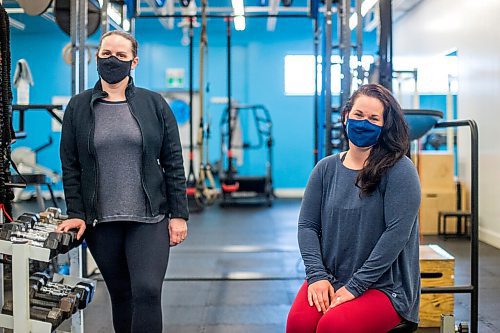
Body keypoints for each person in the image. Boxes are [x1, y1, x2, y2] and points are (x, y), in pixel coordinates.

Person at [56, 30, 189, 333]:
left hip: (150, 217)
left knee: (147, 291)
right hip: (102, 221)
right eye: (106, 54)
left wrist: (179, 214)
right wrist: (76, 213)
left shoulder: (154, 103)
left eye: (120, 56)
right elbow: (71, 166)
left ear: (134, 61)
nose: (112, 60)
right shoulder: (78, 107)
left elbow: (173, 161)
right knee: (122, 296)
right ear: (96, 56)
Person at [286, 84, 421, 333]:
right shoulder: (325, 169)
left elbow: (396, 234)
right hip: (330, 276)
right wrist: (317, 276)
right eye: (358, 115)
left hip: (384, 286)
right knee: (299, 324)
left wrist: (355, 286)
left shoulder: (400, 169)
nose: (363, 123)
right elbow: (307, 226)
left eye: (373, 118)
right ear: (347, 115)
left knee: (333, 327)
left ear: (384, 126)